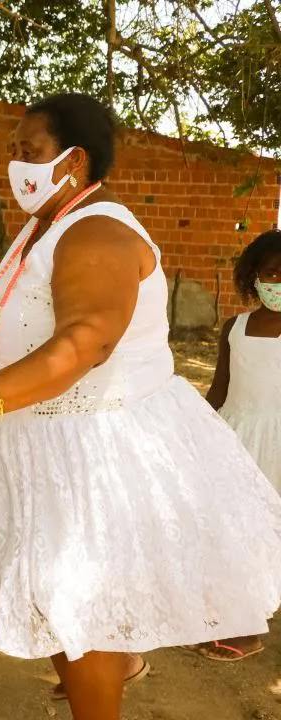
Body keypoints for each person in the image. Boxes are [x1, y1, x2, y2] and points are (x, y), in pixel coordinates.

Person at [0, 92, 281, 720]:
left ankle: (102, 682)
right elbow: (10, 276)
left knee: (79, 597)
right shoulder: (51, 227)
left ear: (76, 160)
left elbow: (88, 338)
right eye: (13, 151)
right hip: (43, 432)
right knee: (54, 591)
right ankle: (111, 667)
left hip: (95, 441)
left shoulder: (99, 230)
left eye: (29, 151)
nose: (16, 164)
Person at [195, 229, 281, 662]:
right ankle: (242, 623)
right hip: (237, 439)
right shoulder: (236, 327)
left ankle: (250, 618)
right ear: (254, 277)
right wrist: (199, 435)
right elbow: (220, 388)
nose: (278, 284)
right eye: (271, 274)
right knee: (236, 529)